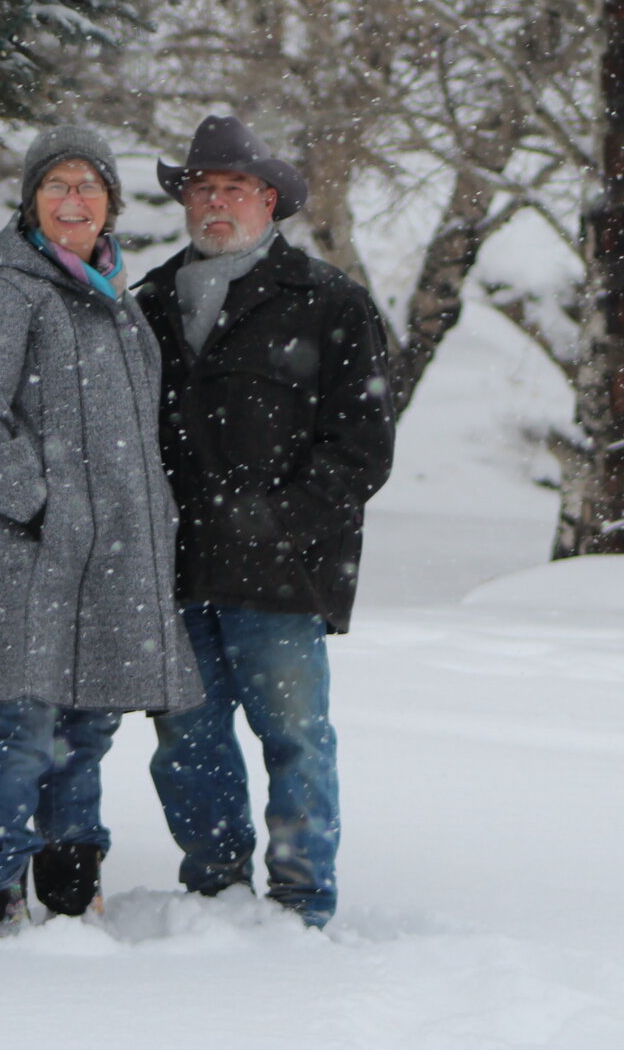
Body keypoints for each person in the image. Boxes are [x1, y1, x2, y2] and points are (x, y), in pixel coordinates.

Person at [0, 125, 206, 928]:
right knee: (22, 724)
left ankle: (74, 887)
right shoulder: (8, 286)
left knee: (87, 722)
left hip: (106, 557)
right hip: (28, 554)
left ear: (110, 203)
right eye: (57, 185)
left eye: (88, 186)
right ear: (32, 200)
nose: (73, 201)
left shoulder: (111, 296)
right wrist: (43, 504)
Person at [134, 115, 395, 928]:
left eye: (234, 188)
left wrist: (277, 520)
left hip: (283, 574)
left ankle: (300, 900)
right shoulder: (146, 303)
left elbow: (362, 447)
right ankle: (214, 891)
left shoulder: (329, 303)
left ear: (270, 199)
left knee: (295, 739)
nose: (216, 202)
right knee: (187, 743)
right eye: (202, 188)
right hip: (172, 571)